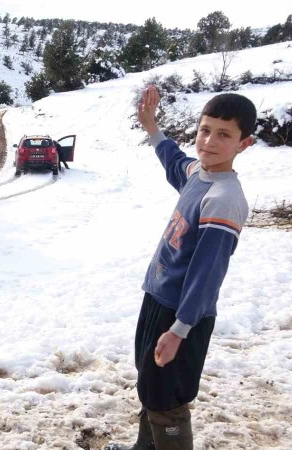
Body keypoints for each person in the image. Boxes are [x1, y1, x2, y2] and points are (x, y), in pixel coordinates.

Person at [106, 86, 256, 450]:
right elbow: (174, 160)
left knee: (168, 398)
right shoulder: (198, 174)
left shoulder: (223, 199)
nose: (209, 141)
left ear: (244, 144)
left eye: (224, 135)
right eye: (205, 130)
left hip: (181, 314)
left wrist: (179, 330)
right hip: (158, 300)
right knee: (151, 385)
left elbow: (207, 276)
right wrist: (152, 128)